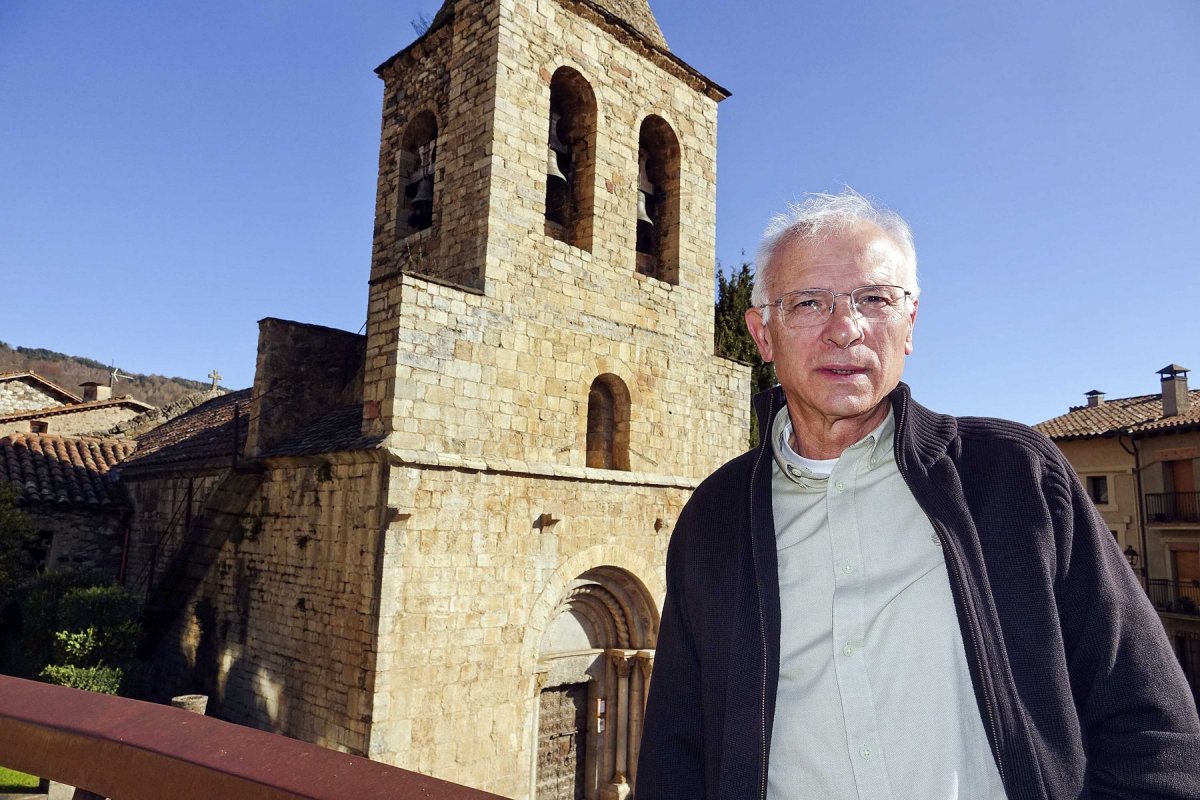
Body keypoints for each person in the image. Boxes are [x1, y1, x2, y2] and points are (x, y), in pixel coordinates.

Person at [635, 190, 1200, 799]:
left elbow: (1152, 727)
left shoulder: (1017, 478)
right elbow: (675, 750)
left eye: (875, 299)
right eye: (807, 303)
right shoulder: (714, 519)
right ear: (762, 334)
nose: (845, 328)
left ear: (910, 325)